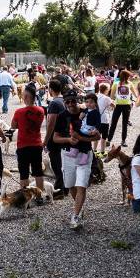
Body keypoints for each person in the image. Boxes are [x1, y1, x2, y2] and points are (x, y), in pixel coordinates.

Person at [53, 91, 101, 229]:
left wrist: (81, 139)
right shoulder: (62, 116)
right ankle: (78, 208)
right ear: (64, 103)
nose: (70, 104)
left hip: (84, 154)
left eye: (73, 101)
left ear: (77, 100)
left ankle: (75, 216)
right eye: (67, 102)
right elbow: (55, 138)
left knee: (81, 185)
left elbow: (98, 137)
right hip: (68, 155)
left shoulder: (88, 112)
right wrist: (68, 139)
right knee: (70, 185)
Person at [12, 85, 46, 194]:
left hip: (23, 146)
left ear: (26, 96)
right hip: (36, 144)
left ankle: (25, 197)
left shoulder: (19, 112)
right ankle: (39, 195)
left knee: (24, 173)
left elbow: (13, 126)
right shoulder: (40, 110)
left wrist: (21, 125)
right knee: (38, 172)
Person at [43, 78, 67, 199]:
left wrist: (46, 140)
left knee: (56, 164)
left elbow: (51, 123)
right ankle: (66, 187)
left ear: (50, 89)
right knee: (64, 163)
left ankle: (59, 189)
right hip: (65, 135)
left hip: (55, 137)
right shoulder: (64, 101)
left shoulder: (54, 103)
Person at [107, 70, 134, 146]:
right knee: (113, 123)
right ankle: (109, 139)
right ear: (125, 76)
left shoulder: (130, 84)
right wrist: (111, 104)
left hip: (127, 106)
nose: (129, 77)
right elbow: (111, 96)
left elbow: (135, 93)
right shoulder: (115, 84)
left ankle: (123, 140)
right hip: (117, 105)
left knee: (125, 124)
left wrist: (135, 100)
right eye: (128, 76)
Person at [95, 82, 113, 154]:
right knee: (104, 136)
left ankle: (95, 150)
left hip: (96, 119)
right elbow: (112, 106)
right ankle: (102, 151)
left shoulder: (95, 96)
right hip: (104, 119)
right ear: (106, 90)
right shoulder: (107, 98)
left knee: (96, 136)